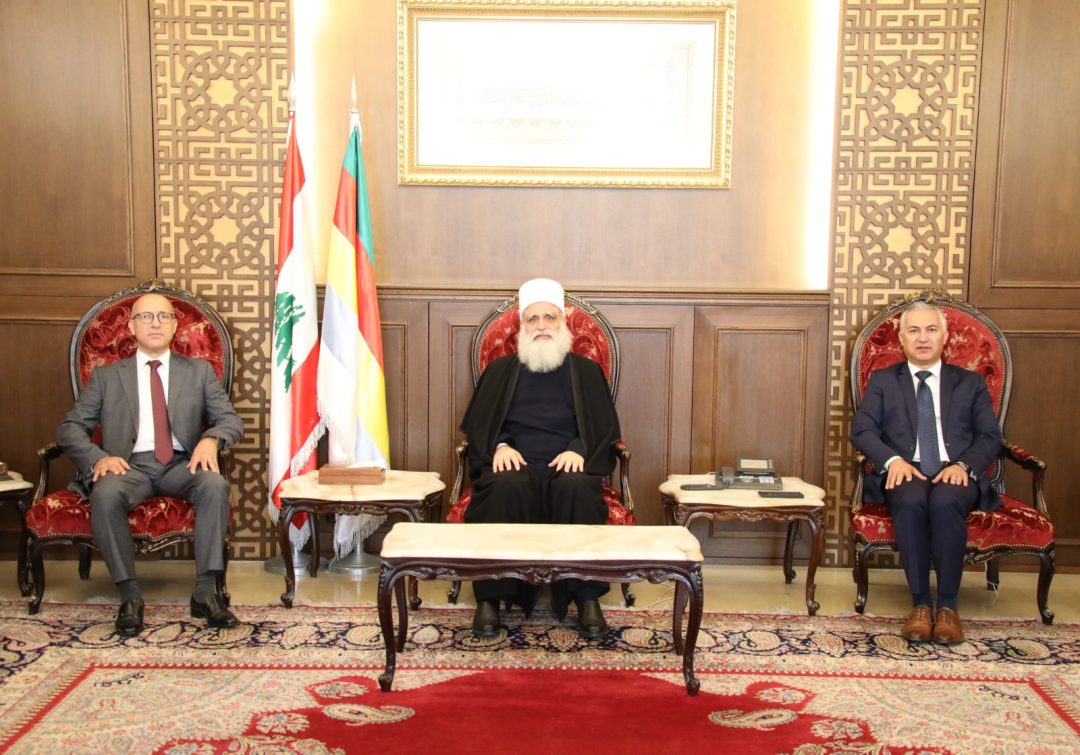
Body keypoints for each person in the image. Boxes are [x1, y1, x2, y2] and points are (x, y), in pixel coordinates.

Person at [57, 292, 245, 636]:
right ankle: (130, 597)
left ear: (174, 326)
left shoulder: (199, 372)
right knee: (105, 494)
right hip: (128, 467)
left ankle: (206, 593)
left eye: (163, 316)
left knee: (214, 485)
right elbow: (70, 429)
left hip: (181, 465)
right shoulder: (106, 376)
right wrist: (99, 458)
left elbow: (231, 421)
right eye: (145, 317)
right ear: (131, 327)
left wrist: (211, 439)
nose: (155, 323)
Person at [460, 278, 622, 640]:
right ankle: (489, 599)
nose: (542, 326)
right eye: (533, 319)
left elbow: (604, 428)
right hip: (514, 462)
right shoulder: (500, 371)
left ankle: (587, 599)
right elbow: (481, 426)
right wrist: (500, 445)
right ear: (522, 326)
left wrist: (579, 449)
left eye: (550, 317)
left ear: (563, 323)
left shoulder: (586, 371)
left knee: (578, 488)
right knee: (503, 487)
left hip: (568, 462)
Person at [850, 300, 1002, 644]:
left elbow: (990, 436)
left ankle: (947, 607)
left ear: (944, 337)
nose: (923, 338)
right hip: (905, 470)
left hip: (956, 471)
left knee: (946, 501)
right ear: (901, 338)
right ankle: (920, 604)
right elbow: (862, 431)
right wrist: (892, 461)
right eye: (914, 330)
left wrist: (964, 466)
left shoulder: (971, 383)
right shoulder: (883, 381)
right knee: (910, 500)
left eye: (931, 330)